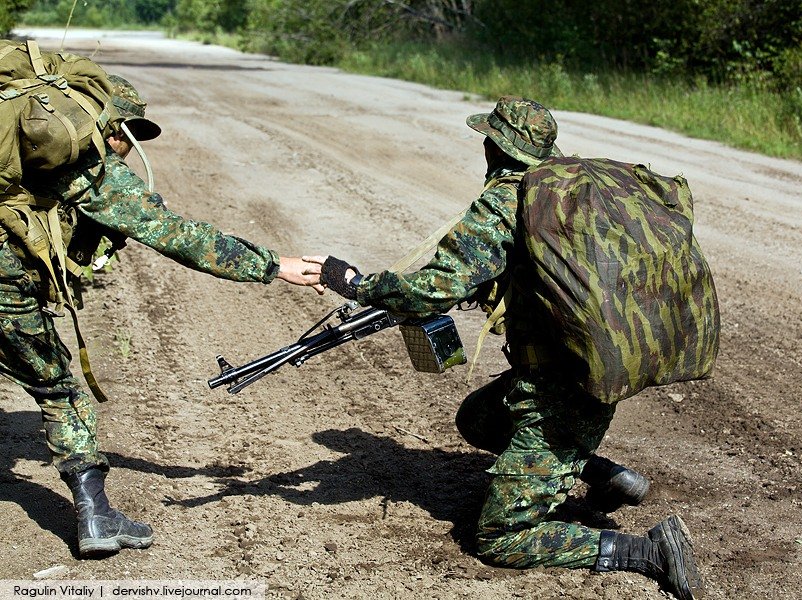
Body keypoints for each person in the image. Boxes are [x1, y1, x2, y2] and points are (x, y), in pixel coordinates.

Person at [308, 97, 703, 599]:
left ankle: (648, 551)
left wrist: (355, 283)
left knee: (499, 537)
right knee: (478, 420)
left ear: (496, 147)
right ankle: (603, 473)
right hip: (586, 368)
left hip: (562, 395)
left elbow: (434, 287)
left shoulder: (507, 203)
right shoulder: (569, 189)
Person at [0, 74, 322, 557]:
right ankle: (96, 517)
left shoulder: (16, 149)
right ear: (112, 129)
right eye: (128, 136)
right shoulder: (91, 170)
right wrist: (276, 265)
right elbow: (179, 235)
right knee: (59, 393)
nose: (128, 148)